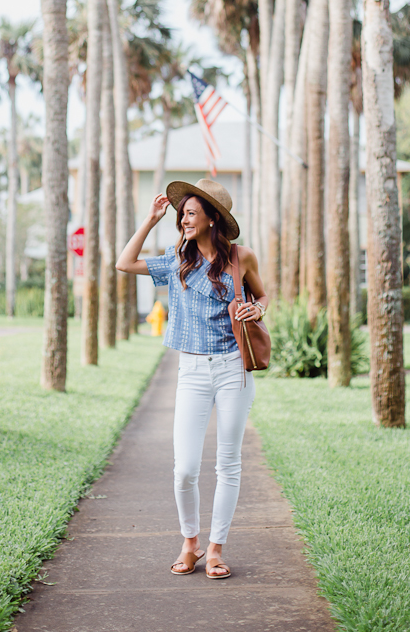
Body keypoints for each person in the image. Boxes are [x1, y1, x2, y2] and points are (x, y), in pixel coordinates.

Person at [116, 178, 268, 580]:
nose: (183, 218)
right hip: (193, 371)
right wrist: (150, 220)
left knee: (228, 464)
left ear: (212, 219)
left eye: (191, 213)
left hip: (233, 367)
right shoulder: (176, 260)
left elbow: (263, 295)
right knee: (184, 468)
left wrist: (260, 310)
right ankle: (190, 542)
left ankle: (216, 549)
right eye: (182, 213)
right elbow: (124, 263)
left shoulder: (242, 257)